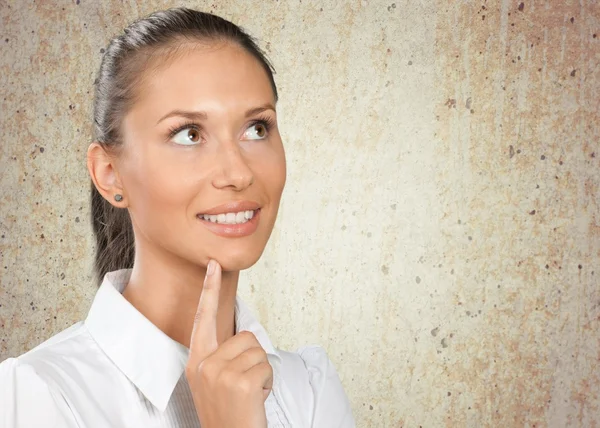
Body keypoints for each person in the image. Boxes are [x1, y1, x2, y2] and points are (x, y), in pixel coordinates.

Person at [0, 7, 354, 428]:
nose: (239, 173)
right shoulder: (41, 393)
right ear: (109, 173)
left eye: (257, 128)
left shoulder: (308, 388)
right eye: (189, 134)